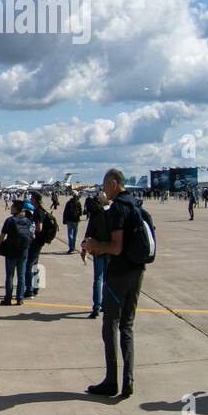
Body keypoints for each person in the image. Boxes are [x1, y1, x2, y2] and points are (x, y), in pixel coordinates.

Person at [80, 169, 148, 398]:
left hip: (120, 273)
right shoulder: (136, 204)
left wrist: (95, 246)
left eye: (105, 186)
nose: (104, 190)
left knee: (110, 324)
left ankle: (111, 381)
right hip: (137, 272)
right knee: (127, 326)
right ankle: (127, 381)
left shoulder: (119, 207)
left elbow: (116, 247)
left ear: (113, 183)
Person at [81, 191, 110, 318]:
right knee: (107, 279)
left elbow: (88, 233)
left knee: (98, 279)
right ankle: (106, 304)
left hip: (98, 249)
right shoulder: (112, 213)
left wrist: (84, 248)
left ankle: (96, 307)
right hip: (109, 249)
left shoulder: (95, 215)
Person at [0, 199, 33, 305]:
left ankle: (8, 298)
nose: (11, 207)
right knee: (21, 275)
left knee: (10, 275)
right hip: (23, 251)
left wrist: (0, 246)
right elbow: (31, 235)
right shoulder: (27, 221)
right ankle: (20, 298)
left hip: (11, 251)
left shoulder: (10, 220)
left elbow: (2, 235)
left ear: (16, 208)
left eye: (12, 206)